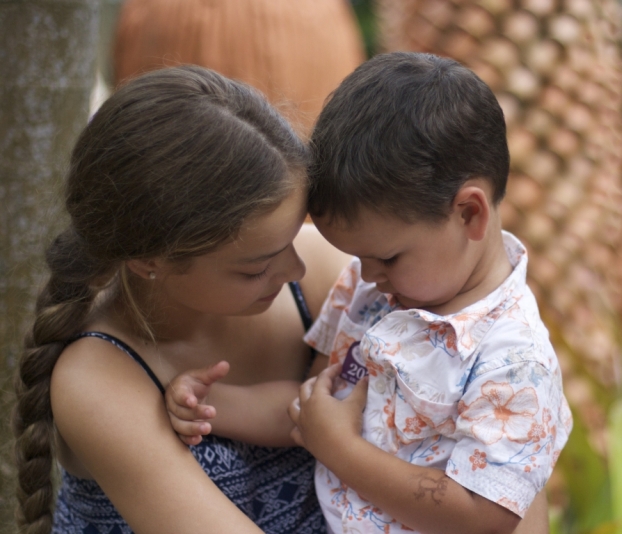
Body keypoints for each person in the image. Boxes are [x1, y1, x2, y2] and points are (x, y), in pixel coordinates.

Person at [169, 52, 572, 534]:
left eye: (388, 258)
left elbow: (483, 515)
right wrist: (213, 408)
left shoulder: (513, 360)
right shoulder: (371, 290)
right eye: (358, 257)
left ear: (469, 213)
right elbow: (316, 407)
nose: (366, 274)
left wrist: (341, 450)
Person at [12, 65, 351, 534]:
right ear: (149, 260)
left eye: (296, 236)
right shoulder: (98, 376)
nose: (296, 268)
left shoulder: (323, 282)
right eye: (255, 267)